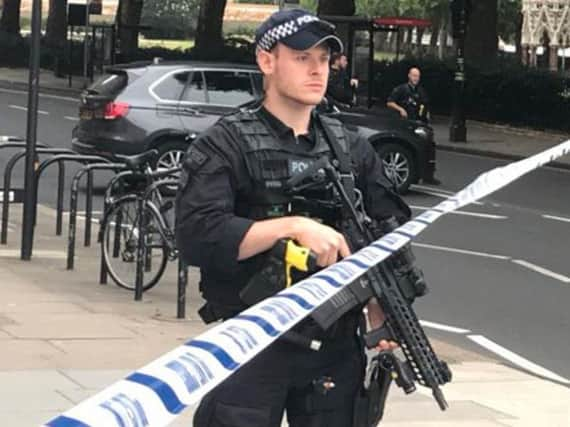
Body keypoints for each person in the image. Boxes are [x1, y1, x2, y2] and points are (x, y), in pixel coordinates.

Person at [176, 9, 411, 427]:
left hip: (335, 344)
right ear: (267, 61)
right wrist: (291, 227)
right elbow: (198, 235)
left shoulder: (351, 147)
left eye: (324, 59)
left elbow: (390, 231)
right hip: (252, 339)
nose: (317, 70)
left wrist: (383, 308)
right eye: (303, 58)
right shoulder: (225, 143)